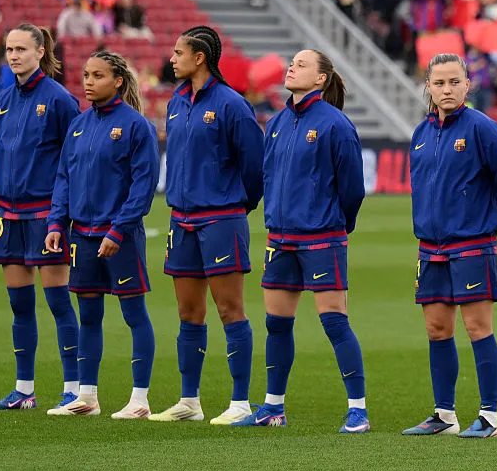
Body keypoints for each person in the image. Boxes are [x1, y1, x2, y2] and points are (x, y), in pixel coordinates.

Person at [234, 50, 368, 430]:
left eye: (303, 64)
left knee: (335, 323)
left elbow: (353, 189)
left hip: (322, 237)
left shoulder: (335, 124)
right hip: (280, 238)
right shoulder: (275, 122)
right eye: (292, 62)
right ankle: (273, 407)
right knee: (276, 324)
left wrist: (339, 225)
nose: (292, 67)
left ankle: (358, 409)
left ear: (321, 79)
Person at [150, 26, 264, 426]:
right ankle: (189, 401)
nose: (172, 57)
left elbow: (255, 166)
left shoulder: (233, 104)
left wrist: (237, 206)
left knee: (230, 309)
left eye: (178, 51)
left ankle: (240, 403)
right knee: (188, 313)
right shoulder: (177, 102)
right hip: (181, 221)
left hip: (221, 219)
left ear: (200, 57)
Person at [402, 53, 497, 438]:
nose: (447, 89)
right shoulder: (421, 134)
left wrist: (488, 221)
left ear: (468, 85)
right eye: (439, 83)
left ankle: (489, 417)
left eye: (454, 82)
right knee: (437, 329)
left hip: (472, 244)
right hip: (430, 247)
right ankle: (444, 414)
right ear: (429, 88)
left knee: (476, 328)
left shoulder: (483, 128)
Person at [44, 50, 161, 418]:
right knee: (89, 316)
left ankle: (139, 399)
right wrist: (55, 224)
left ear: (118, 82)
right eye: (86, 75)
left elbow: (144, 186)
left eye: (97, 75)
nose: (88, 81)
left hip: (120, 238)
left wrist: (118, 229)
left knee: (134, 314)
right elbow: (64, 179)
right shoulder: (78, 126)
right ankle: (87, 397)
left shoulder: (135, 126)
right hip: (82, 237)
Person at [0, 24, 81, 412]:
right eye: (9, 49)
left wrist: (61, 215)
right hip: (8, 214)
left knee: (58, 302)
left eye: (21, 48)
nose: (13, 55)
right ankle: (24, 390)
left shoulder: (60, 100)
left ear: (40, 52)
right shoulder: (4, 98)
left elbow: (72, 163)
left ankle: (74, 389)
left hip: (45, 215)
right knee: (19, 305)